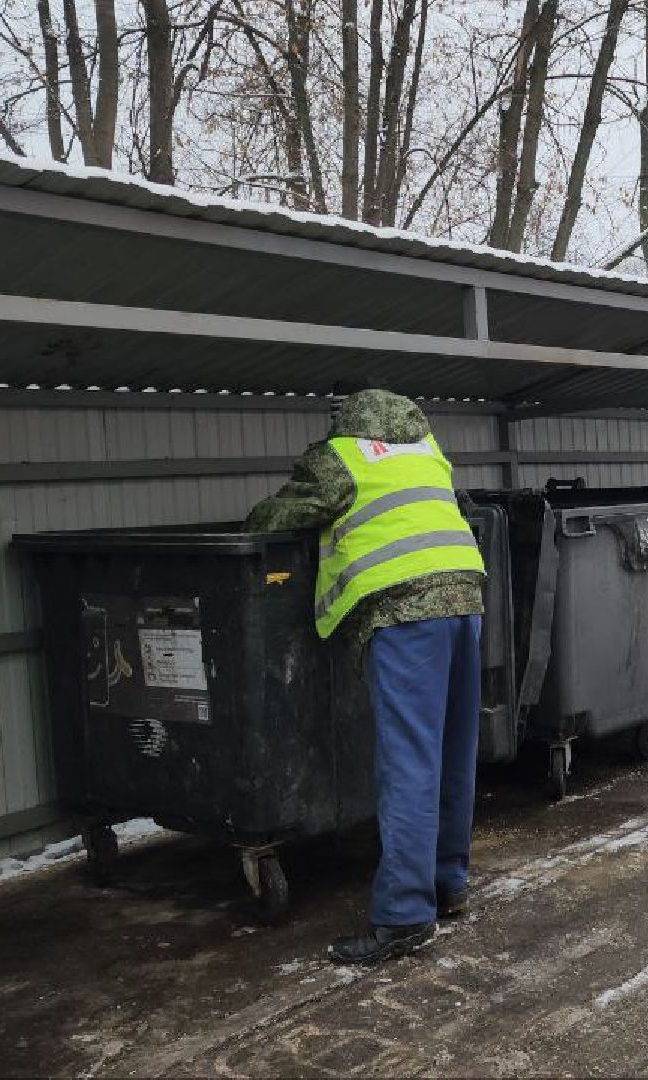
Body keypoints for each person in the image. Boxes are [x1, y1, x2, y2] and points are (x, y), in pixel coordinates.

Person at [246, 390, 485, 966]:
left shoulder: (343, 457)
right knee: (454, 751)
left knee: (409, 763)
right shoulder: (428, 452)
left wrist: (257, 518)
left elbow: (281, 515)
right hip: (465, 597)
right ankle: (448, 882)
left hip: (405, 613)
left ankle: (404, 916)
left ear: (348, 422)